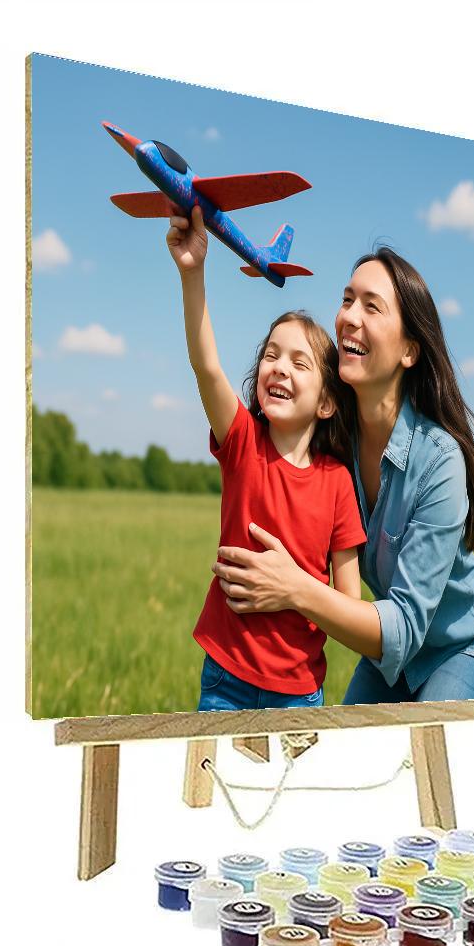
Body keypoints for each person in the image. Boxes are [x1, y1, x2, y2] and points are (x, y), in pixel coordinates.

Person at [212, 247, 474, 702]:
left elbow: (403, 628)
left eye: (372, 305)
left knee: (432, 757)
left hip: (457, 649)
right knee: (345, 767)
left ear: (409, 350)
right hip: (388, 658)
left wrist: (295, 588)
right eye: (347, 300)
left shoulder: (440, 462)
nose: (349, 316)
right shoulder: (333, 441)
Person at [166, 207, 367, 712]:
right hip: (225, 682)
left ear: (326, 403)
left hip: (299, 692)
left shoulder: (338, 482)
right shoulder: (242, 442)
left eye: (299, 362)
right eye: (271, 355)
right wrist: (193, 272)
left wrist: (295, 591)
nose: (278, 367)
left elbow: (351, 605)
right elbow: (206, 365)